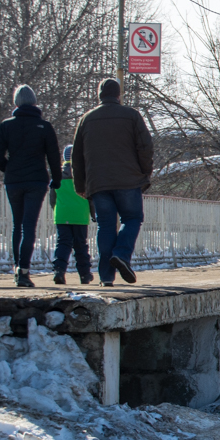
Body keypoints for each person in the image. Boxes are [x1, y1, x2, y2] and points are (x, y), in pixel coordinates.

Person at [73, 78, 152, 287]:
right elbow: (145, 147)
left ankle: (106, 277)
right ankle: (122, 255)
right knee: (132, 217)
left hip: (98, 183)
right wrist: (144, 172)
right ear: (118, 95)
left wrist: (81, 186)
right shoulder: (132, 116)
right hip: (128, 179)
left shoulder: (86, 119)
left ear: (99, 95)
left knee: (106, 225)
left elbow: (77, 157)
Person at [0, 85, 61, 288]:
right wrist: (55, 181)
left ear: (16, 103)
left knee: (17, 225)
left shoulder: (6, 126)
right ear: (34, 102)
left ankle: (16, 269)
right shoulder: (44, 127)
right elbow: (54, 158)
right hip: (37, 181)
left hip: (14, 182)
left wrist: (9, 169)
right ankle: (24, 271)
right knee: (29, 226)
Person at [51, 144, 93, 286]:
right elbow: (90, 197)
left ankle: (59, 270)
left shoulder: (57, 174)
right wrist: (93, 213)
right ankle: (85, 274)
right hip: (80, 215)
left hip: (62, 215)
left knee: (63, 243)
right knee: (80, 245)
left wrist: (56, 210)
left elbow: (52, 198)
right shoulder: (84, 174)